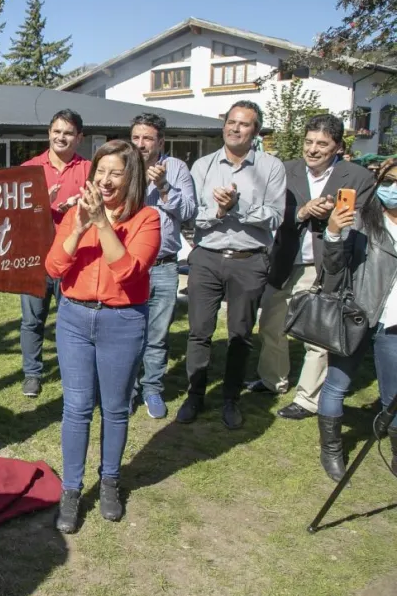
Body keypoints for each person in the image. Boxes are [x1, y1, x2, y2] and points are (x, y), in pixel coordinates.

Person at [45, 139, 161, 534]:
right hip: (75, 319)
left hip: (122, 320)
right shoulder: (75, 214)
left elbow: (128, 271)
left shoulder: (147, 219)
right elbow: (54, 267)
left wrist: (102, 224)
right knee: (76, 407)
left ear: (131, 176)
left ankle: (110, 481)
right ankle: (72, 490)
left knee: (114, 408)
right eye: (100, 172)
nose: (106, 180)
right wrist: (77, 228)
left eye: (115, 172)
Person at [249, 115, 375, 421]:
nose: (313, 149)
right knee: (270, 325)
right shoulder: (285, 170)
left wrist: (334, 216)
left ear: (337, 147)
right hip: (284, 260)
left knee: (316, 334)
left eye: (322, 144)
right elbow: (270, 210)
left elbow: (365, 224)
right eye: (309, 142)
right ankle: (273, 379)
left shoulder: (358, 177)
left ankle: (308, 398)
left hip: (324, 264)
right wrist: (301, 211)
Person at [177, 101, 286, 429]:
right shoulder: (203, 166)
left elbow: (276, 215)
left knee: (240, 334)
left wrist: (239, 207)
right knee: (199, 332)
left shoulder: (270, 167)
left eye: (244, 124)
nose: (234, 128)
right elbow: (191, 214)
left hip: (248, 260)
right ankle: (194, 395)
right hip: (207, 257)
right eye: (230, 122)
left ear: (255, 131)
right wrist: (220, 212)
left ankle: (230, 399)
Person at [316, 158, 397, 481]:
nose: (392, 189)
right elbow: (334, 269)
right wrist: (334, 233)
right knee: (337, 385)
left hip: (393, 324)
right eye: (388, 181)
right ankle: (331, 448)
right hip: (358, 315)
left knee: (392, 395)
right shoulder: (363, 220)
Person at [129, 113, 198, 418]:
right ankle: (126, 390)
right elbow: (115, 207)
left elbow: (189, 210)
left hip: (164, 265)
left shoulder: (178, 168)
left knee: (157, 334)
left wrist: (165, 187)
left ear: (160, 141)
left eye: (147, 138)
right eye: (136, 137)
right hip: (130, 264)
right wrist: (142, 183)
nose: (140, 144)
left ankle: (152, 389)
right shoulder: (123, 166)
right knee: (128, 331)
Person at [19, 109, 91, 397]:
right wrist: (40, 202)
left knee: (70, 319)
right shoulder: (29, 169)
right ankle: (32, 373)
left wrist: (78, 202)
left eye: (68, 133)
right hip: (36, 257)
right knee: (32, 320)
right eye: (57, 131)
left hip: (73, 257)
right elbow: (15, 217)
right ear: (49, 133)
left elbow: (102, 203)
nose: (61, 137)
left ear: (79, 138)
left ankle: (70, 369)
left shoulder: (89, 169)